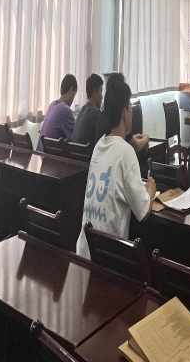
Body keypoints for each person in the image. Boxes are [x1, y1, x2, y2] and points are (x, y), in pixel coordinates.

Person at [77, 79, 156, 259]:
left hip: (84, 251)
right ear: (125, 113)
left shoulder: (99, 145)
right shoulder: (126, 152)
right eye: (130, 106)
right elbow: (143, 211)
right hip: (108, 257)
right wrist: (150, 189)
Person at [94, 73, 149, 154]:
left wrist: (133, 137)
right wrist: (146, 138)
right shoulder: (119, 118)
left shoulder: (103, 115)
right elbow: (136, 146)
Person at [37, 74, 77, 152]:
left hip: (40, 154)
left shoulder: (52, 105)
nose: (73, 100)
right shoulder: (65, 110)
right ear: (71, 90)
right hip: (51, 156)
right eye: (74, 95)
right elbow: (75, 139)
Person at [72, 73, 103, 148]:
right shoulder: (96, 114)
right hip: (85, 155)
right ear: (95, 94)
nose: (102, 97)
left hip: (75, 153)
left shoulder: (83, 110)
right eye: (101, 92)